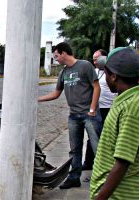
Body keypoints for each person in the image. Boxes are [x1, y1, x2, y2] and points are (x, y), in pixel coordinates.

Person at [38, 42, 102, 189]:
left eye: (56, 56)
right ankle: (74, 178)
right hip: (74, 116)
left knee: (98, 147)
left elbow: (96, 87)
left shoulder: (85, 65)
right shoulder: (63, 72)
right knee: (75, 149)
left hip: (89, 115)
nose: (56, 59)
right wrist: (37, 99)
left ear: (63, 53)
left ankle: (102, 178)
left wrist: (92, 109)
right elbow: (56, 93)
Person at [90, 47, 139, 200]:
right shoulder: (129, 100)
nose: (104, 77)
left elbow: (123, 161)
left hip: (119, 195)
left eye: (106, 73)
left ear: (114, 76)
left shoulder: (132, 108)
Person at [82, 49, 117, 171]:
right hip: (96, 109)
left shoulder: (111, 72)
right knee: (92, 136)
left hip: (109, 109)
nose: (95, 61)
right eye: (93, 59)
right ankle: (88, 163)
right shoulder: (94, 72)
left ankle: (106, 165)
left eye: (97, 59)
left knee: (107, 137)